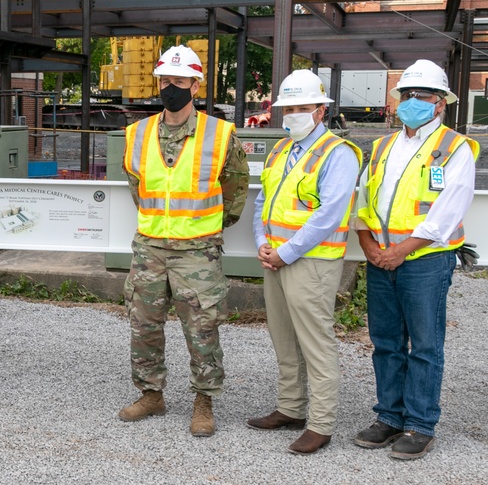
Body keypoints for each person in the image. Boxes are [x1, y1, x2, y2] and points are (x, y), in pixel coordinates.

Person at [118, 45, 249, 436]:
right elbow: (138, 188)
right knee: (144, 326)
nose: (170, 87)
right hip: (151, 247)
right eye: (164, 80)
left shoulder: (220, 134)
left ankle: (203, 401)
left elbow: (235, 190)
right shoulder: (137, 133)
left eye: (178, 81)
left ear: (195, 85)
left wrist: (204, 228)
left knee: (202, 329)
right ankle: (151, 394)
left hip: (198, 250)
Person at [353, 59, 479, 460]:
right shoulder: (384, 145)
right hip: (378, 257)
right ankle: (389, 417)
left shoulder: (454, 148)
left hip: (425, 261)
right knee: (385, 343)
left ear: (439, 103)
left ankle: (420, 425)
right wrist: (369, 245)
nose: (410, 102)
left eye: (420, 96)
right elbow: (363, 197)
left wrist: (399, 251)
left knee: (425, 345)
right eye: (405, 94)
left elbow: (447, 210)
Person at [246, 70, 362, 455]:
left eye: (301, 107)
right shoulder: (281, 149)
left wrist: (285, 252)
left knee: (316, 344)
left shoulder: (337, 153)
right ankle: (291, 409)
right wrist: (263, 242)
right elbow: (263, 201)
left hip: (310, 262)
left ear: (320, 110)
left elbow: (329, 214)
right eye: (288, 108)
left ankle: (321, 424)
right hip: (276, 259)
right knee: (283, 339)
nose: (293, 114)